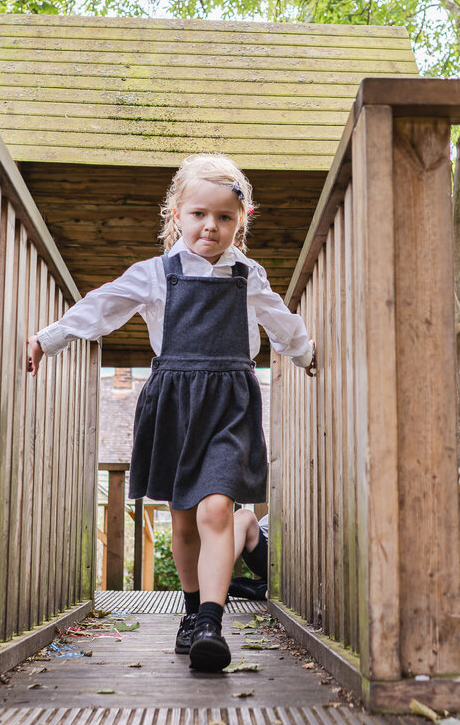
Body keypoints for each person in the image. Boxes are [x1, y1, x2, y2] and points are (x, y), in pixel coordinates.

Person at [27, 153, 316, 673]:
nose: (212, 226)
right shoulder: (155, 274)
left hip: (230, 403)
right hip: (175, 405)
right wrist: (49, 340)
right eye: (200, 214)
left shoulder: (248, 274)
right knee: (183, 520)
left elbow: (279, 319)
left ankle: (211, 621)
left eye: (225, 217)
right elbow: (102, 306)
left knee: (214, 511)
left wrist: (305, 353)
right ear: (177, 215)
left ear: (241, 220)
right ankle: (190, 612)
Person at [227, 509, 269, 601]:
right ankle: (218, 584)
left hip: (293, 560)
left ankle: (262, 590)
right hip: (265, 553)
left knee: (244, 516)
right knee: (244, 516)